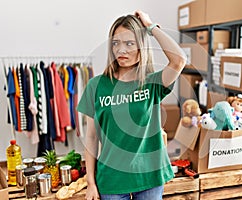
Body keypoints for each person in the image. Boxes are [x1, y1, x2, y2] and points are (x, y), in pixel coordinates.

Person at [77, 10, 186, 200]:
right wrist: (91, 183)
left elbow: (179, 60)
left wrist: (151, 27)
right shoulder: (96, 86)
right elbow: (92, 138)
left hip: (149, 179)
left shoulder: (152, 83)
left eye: (129, 43)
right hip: (111, 181)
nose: (121, 50)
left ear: (141, 47)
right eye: (116, 43)